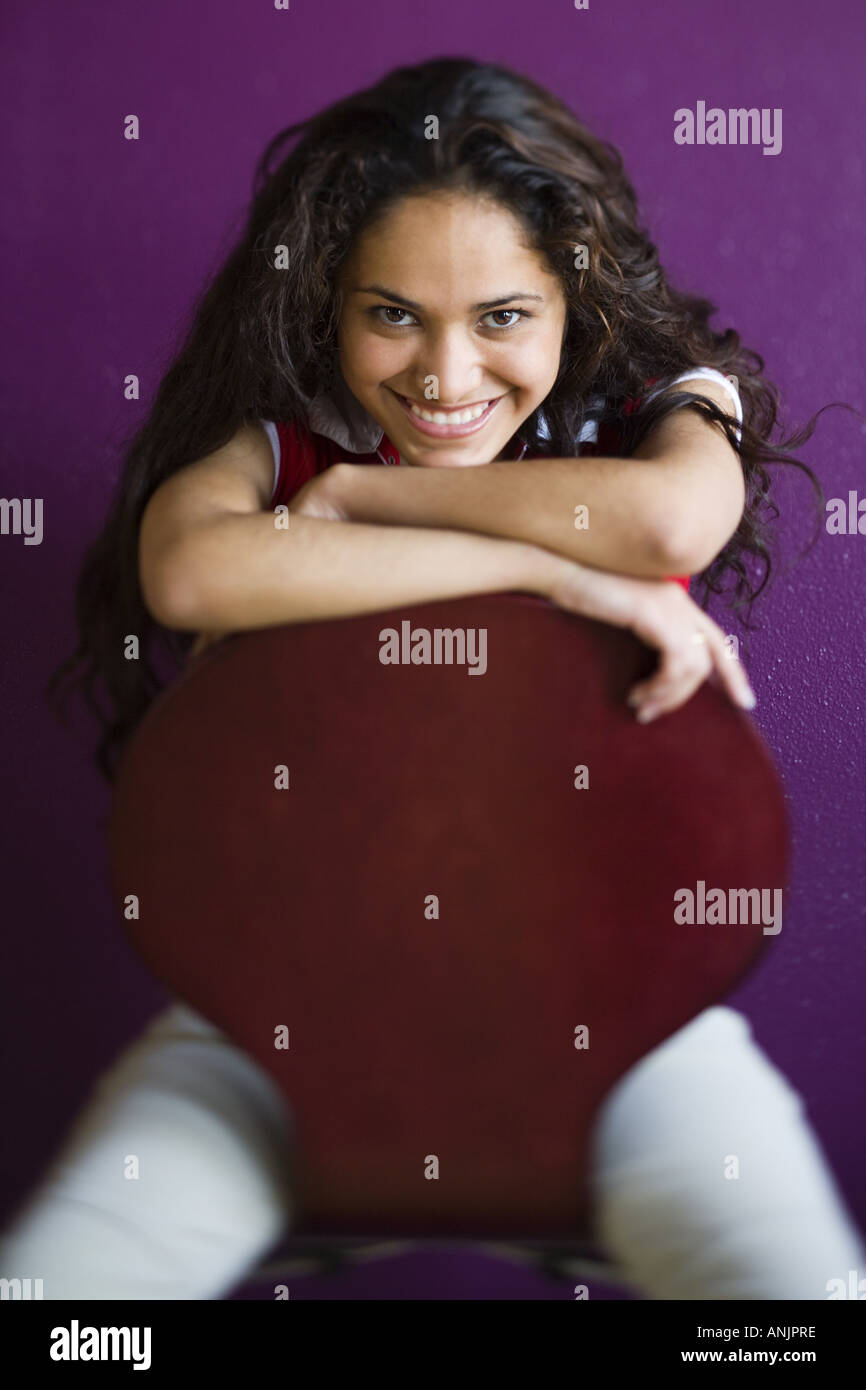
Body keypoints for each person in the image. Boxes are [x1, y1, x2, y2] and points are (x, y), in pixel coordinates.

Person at [3, 57, 863, 1300]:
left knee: (795, 1315)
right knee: (62, 1313)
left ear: (577, 300)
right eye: (391, 314)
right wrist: (572, 582)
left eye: (502, 316)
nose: (446, 379)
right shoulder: (276, 448)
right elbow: (188, 573)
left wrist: (367, 495)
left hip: (619, 1031)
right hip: (273, 1024)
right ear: (326, 308)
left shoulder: (659, 418)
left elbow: (672, 526)